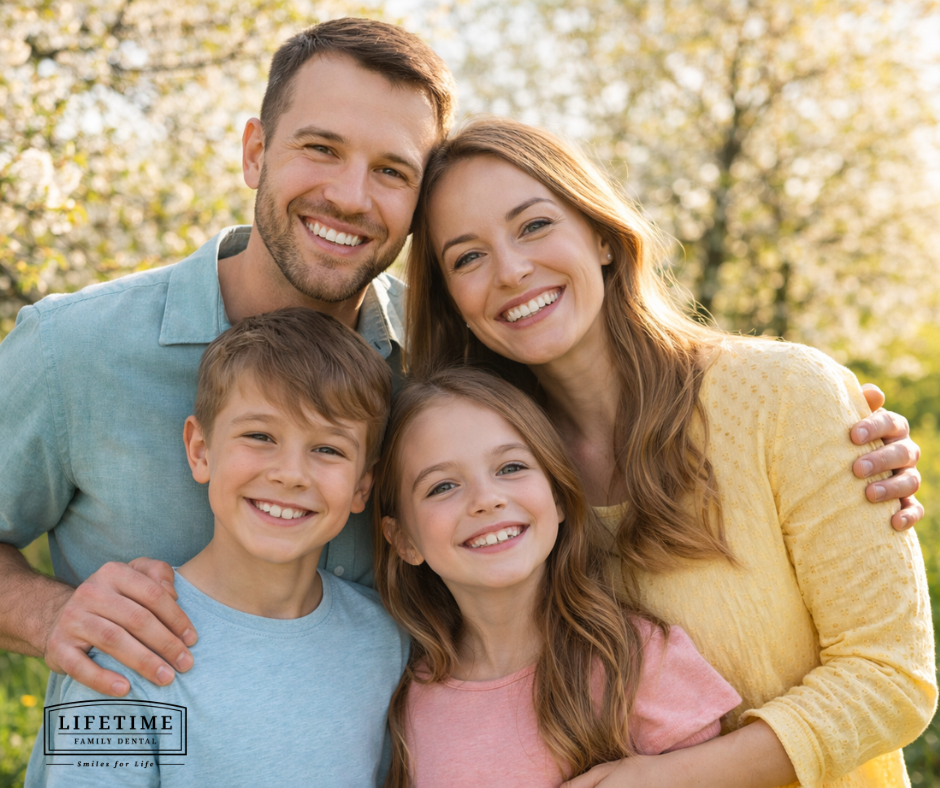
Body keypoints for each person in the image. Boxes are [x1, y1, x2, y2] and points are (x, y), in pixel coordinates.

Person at [0, 17, 922, 702]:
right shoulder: (75, 351)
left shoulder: (452, 382)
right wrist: (48, 614)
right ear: (255, 150)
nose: (350, 195)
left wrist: (834, 443)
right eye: (320, 149)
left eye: (392, 171)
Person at [403, 118, 936, 788]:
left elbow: (892, 676)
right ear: (450, 298)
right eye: (467, 258)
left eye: (534, 225)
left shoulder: (784, 395)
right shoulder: (501, 479)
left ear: (601, 235)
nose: (511, 270)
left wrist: (665, 780)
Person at [30, 308, 407, 787]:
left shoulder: (387, 640)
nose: (290, 474)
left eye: (328, 449)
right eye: (260, 436)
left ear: (363, 485)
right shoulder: (125, 646)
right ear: (201, 450)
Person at [374, 367, 743, 787]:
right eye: (442, 487)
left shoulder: (638, 661)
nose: (486, 500)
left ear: (559, 496)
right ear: (403, 540)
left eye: (510, 467)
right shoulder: (409, 698)